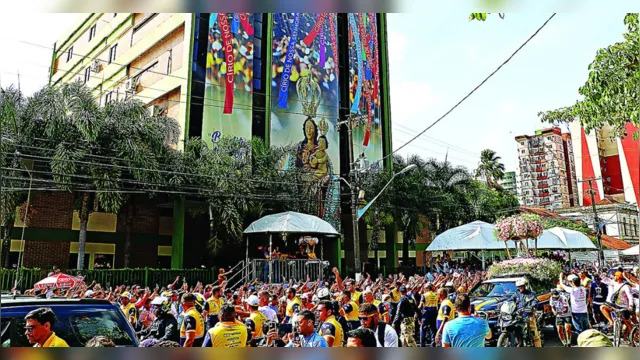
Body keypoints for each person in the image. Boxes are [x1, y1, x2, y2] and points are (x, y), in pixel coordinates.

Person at [510, 279, 541, 347]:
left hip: (529, 315)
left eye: (521, 286)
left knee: (534, 333)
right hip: (519, 315)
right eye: (518, 287)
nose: (520, 288)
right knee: (514, 329)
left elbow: (535, 302)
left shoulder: (531, 294)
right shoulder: (516, 294)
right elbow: (510, 301)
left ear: (525, 286)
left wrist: (532, 307)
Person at [418, 282, 438, 347]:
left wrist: (416, 310)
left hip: (426, 313)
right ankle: (433, 344)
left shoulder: (424, 295)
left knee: (423, 329)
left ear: (427, 288)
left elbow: (420, 305)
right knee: (433, 329)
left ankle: (422, 345)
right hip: (434, 312)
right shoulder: (436, 294)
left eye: (425, 288)